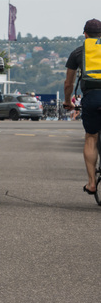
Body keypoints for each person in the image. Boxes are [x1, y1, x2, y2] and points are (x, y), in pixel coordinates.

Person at [64, 18, 101, 196]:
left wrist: (67, 101)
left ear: (84, 34)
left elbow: (68, 83)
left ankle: (92, 183)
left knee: (91, 137)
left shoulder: (78, 52)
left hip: (92, 99)